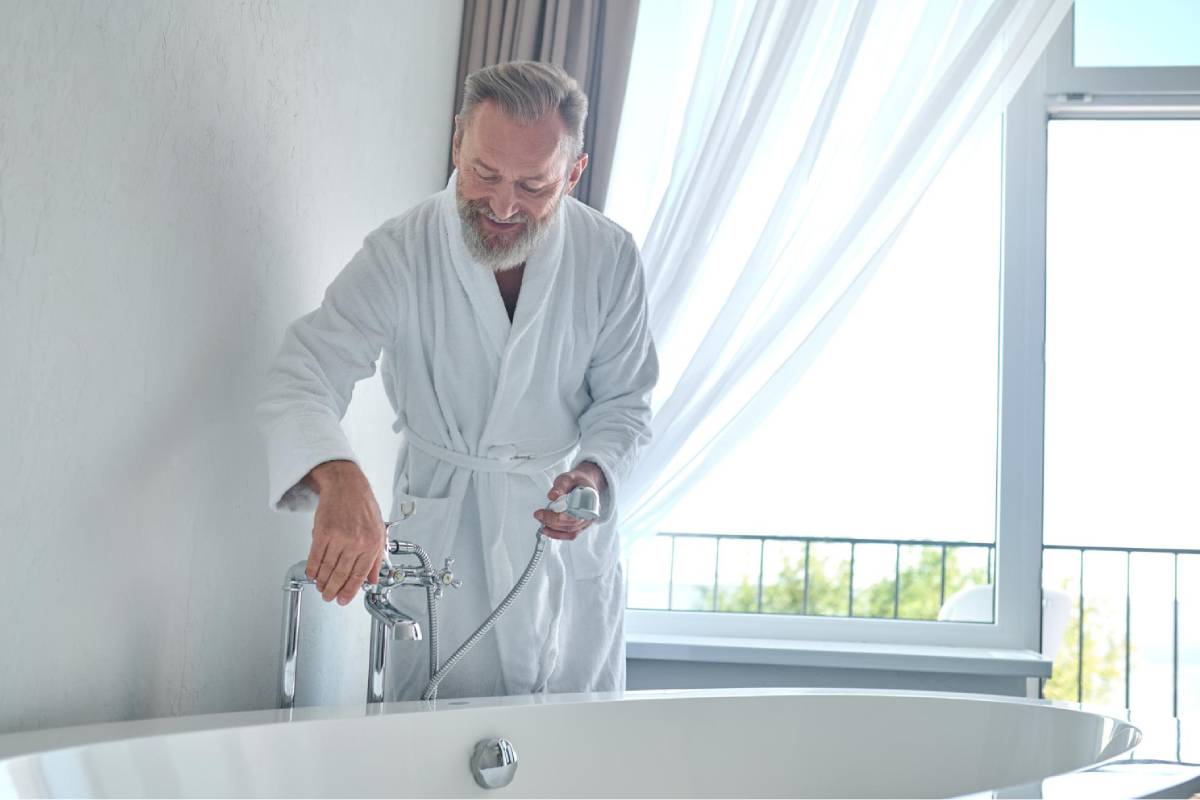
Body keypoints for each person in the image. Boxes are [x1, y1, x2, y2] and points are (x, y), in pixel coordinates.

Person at [256, 61, 657, 700]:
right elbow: (302, 373)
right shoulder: (401, 251)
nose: (502, 205)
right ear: (456, 143)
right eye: (485, 173)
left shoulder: (608, 257)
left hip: (555, 540)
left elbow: (626, 404)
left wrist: (593, 476)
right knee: (431, 760)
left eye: (533, 185)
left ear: (574, 173)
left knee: (572, 765)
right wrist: (340, 476)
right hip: (440, 543)